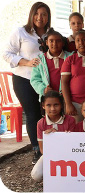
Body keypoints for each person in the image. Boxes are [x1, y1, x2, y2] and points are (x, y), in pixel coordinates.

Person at [2, 2, 51, 164]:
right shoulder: (21, 32)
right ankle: (37, 150)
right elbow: (7, 54)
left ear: (48, 17)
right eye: (37, 14)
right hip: (24, 79)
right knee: (33, 114)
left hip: (45, 81)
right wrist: (26, 62)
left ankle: (52, 148)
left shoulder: (51, 34)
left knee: (49, 114)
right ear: (31, 15)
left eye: (44, 14)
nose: (40, 17)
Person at [30, 90, 76, 181]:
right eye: (48, 105)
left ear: (62, 105)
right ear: (43, 106)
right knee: (36, 175)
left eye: (56, 105)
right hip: (49, 155)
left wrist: (63, 136)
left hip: (68, 154)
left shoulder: (70, 120)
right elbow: (42, 149)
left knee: (70, 175)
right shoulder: (41, 123)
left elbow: (73, 145)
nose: (52, 109)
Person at [61, 30, 85, 123]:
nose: (81, 43)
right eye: (78, 40)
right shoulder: (70, 59)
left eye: (84, 40)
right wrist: (68, 104)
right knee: (75, 132)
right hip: (74, 103)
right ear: (75, 43)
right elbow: (64, 82)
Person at [30, 28, 72, 99]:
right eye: (51, 41)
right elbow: (35, 79)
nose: (54, 44)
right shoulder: (40, 60)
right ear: (47, 42)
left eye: (58, 41)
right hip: (48, 98)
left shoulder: (70, 57)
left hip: (67, 97)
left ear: (63, 43)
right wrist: (43, 89)